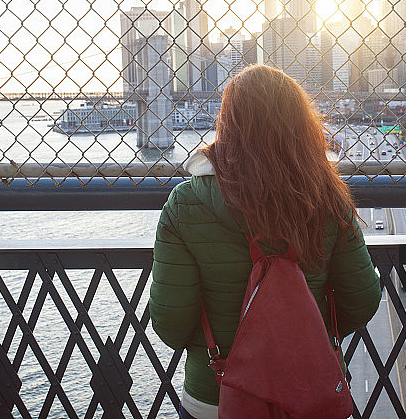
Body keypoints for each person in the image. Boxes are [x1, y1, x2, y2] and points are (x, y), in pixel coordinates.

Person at [149, 64, 382, 419]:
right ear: (301, 125)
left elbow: (170, 322)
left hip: (216, 395)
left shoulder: (185, 205)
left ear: (227, 124)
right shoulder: (329, 198)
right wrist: (300, 330)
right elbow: (362, 300)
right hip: (309, 392)